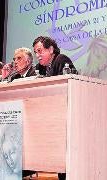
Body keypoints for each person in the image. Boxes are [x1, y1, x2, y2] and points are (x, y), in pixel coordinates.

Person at [33, 36, 76, 180]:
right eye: (35, 52)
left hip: (68, 115)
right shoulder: (41, 67)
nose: (37, 55)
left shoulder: (61, 60)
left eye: (40, 51)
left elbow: (70, 86)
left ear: (51, 49)